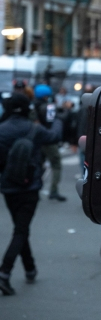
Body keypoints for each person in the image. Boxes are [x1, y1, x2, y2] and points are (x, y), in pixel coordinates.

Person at [0, 93, 62, 295]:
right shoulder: (33, 129)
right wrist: (57, 119)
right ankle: (4, 272)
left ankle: (30, 268)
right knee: (21, 229)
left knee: (21, 228)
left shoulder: (2, 129)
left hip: (8, 187)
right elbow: (54, 136)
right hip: (29, 187)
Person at [34, 84, 66, 201]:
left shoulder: (33, 106)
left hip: (36, 141)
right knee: (56, 164)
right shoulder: (48, 107)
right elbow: (55, 120)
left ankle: (35, 188)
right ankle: (53, 191)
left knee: (38, 165)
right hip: (48, 140)